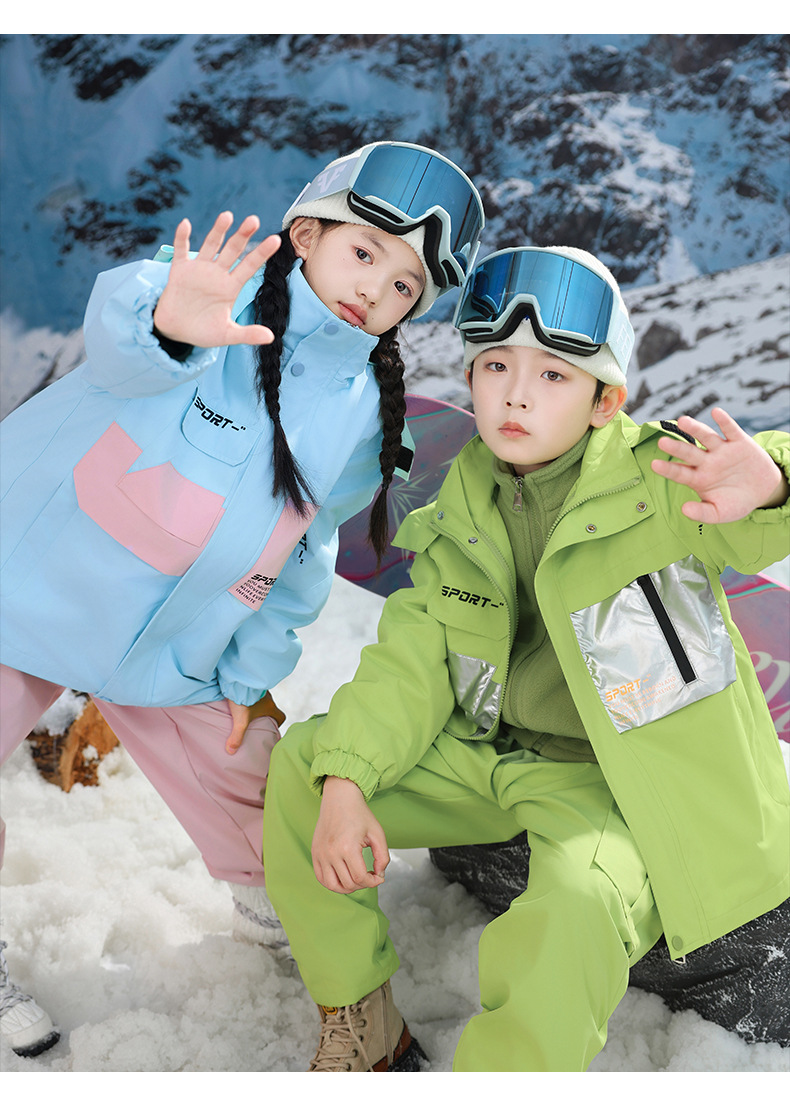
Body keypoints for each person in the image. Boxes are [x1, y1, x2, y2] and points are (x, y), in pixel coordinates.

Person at [0, 141, 485, 1057]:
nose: (375, 289)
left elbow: (306, 548)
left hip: (167, 641)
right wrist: (172, 323)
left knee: (248, 770)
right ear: (306, 234)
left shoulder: (358, 408)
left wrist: (248, 670)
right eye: (364, 252)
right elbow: (124, 342)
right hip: (25, 589)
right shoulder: (209, 301)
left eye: (404, 286)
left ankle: (277, 901)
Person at [261, 245, 790, 1072]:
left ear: (604, 400)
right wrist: (350, 778)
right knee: (307, 768)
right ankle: (361, 1017)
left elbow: (759, 525)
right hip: (492, 761)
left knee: (576, 904)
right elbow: (411, 664)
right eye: (496, 365)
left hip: (611, 787)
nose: (515, 393)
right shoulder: (460, 512)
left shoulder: (661, 483)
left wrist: (776, 483)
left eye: (552, 375)